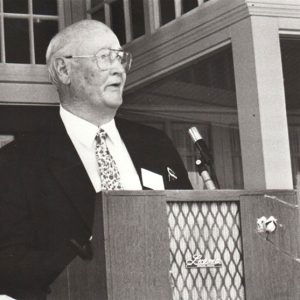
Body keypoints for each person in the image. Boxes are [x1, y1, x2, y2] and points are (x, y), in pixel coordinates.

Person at [0, 20, 192, 299]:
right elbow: (9, 261)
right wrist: (94, 263)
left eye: (121, 58)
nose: (118, 69)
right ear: (63, 70)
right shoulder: (16, 163)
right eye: (105, 57)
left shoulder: (156, 145)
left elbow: (189, 226)